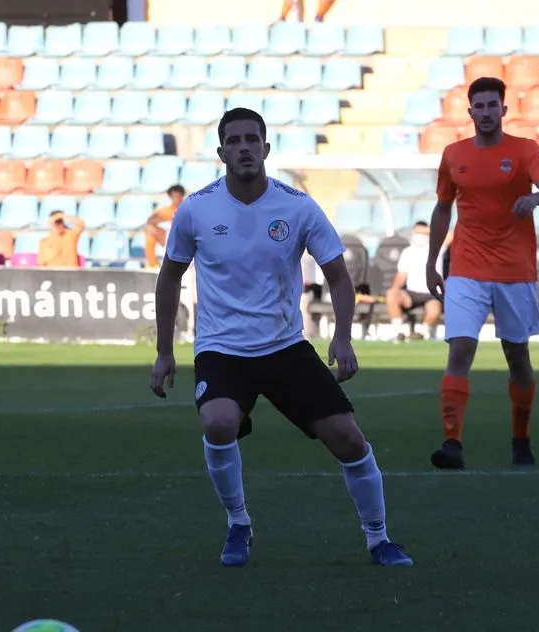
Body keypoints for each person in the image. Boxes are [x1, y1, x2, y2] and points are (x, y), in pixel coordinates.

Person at [149, 108, 413, 569]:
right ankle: (238, 523)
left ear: (267, 149)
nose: (245, 147)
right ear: (221, 152)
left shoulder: (298, 206)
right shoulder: (196, 209)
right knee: (218, 422)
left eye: (253, 139)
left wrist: (343, 338)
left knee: (349, 439)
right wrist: (164, 352)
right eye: (235, 141)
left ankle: (379, 538)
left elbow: (338, 275)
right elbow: (169, 278)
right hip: (222, 349)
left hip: (285, 347)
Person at [425, 77, 539, 470]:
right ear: (470, 113)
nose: (485, 113)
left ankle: (521, 440)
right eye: (478, 107)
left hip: (515, 271)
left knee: (516, 355)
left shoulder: (524, 150)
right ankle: (452, 444)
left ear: (504, 109)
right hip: (466, 267)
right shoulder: (454, 155)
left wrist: (534, 198)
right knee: (461, 349)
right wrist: (433, 261)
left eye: (491, 105)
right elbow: (442, 208)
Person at [383, 221, 444, 342]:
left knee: (434, 310)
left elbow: (449, 235)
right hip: (411, 293)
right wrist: (395, 290)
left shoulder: (438, 248)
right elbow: (401, 276)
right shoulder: (408, 252)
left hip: (432, 294)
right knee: (391, 294)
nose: (418, 236)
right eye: (416, 233)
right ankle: (398, 332)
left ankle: (421, 333)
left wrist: (424, 230)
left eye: (421, 233)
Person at [143, 184, 186, 269]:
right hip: (168, 237)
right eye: (174, 196)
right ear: (170, 197)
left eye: (178, 196)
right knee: (149, 229)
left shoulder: (187, 208)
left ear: (182, 196)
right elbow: (150, 221)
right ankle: (152, 265)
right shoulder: (165, 211)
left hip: (183, 239)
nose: (176, 199)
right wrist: (166, 220)